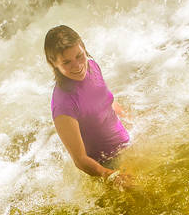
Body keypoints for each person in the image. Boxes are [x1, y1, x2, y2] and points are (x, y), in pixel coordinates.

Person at [45, 25, 130, 182]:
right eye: (66, 62)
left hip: (127, 146)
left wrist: (132, 122)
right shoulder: (63, 105)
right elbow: (80, 160)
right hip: (108, 165)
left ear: (83, 47)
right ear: (53, 63)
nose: (77, 66)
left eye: (79, 56)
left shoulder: (92, 66)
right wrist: (111, 176)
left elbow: (107, 102)